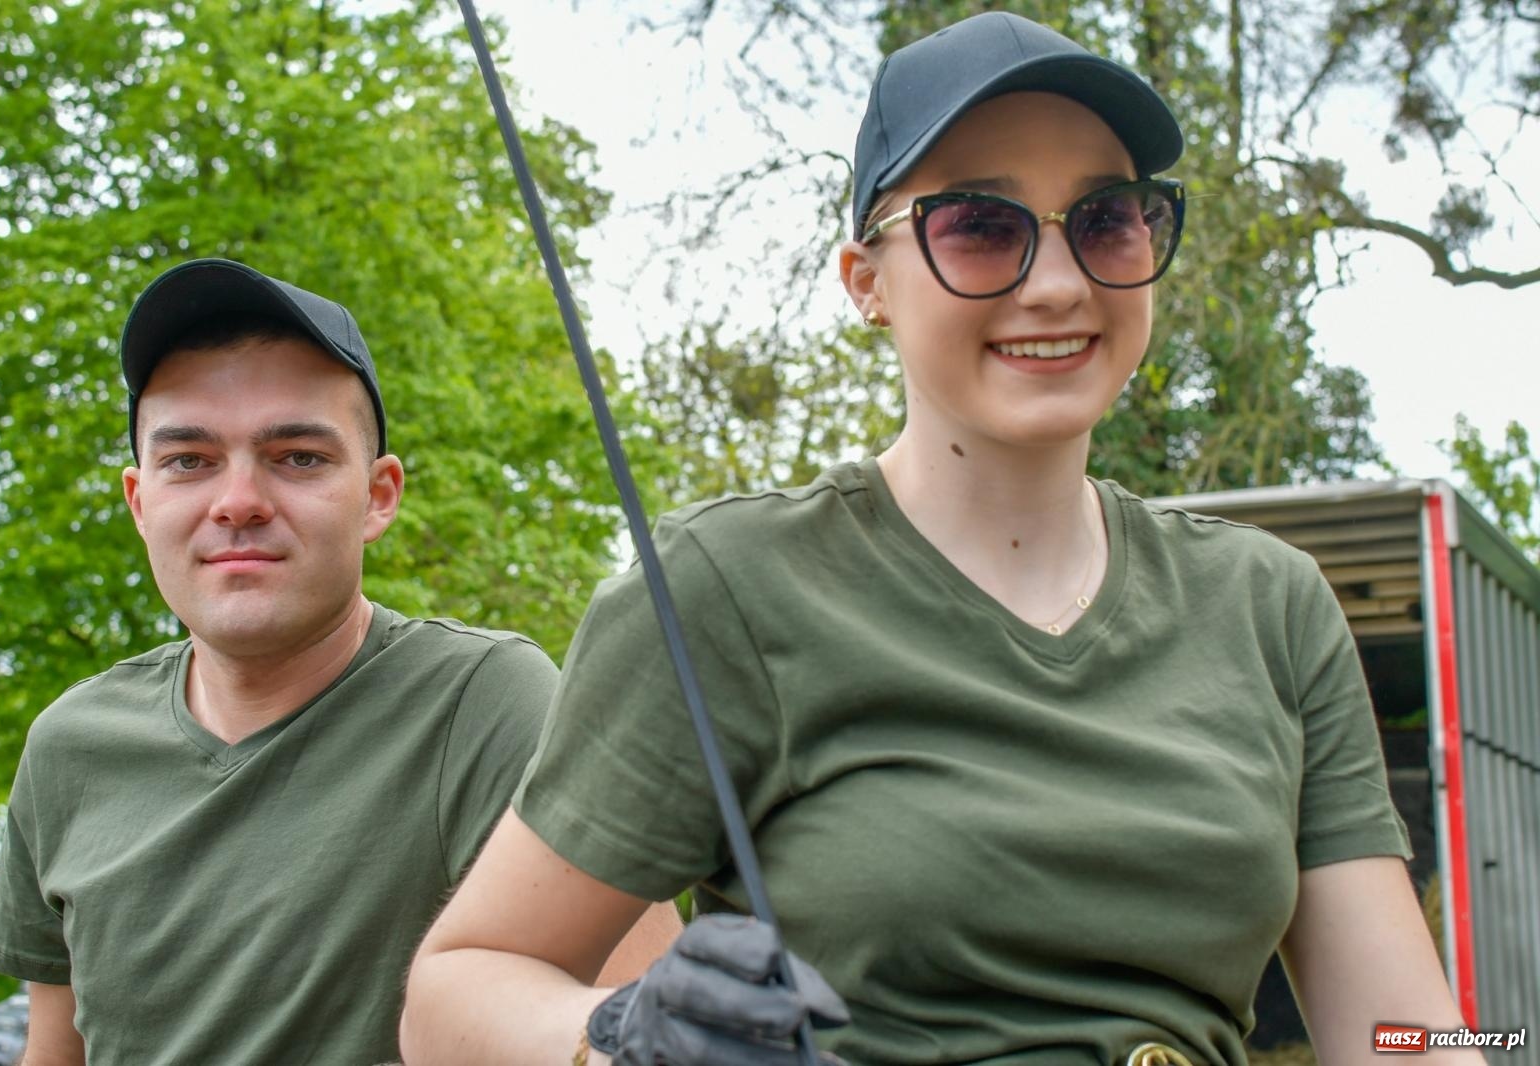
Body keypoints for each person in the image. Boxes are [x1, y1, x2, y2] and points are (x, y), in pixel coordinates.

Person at [400, 12, 1478, 1066]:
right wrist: (614, 1036)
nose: (1056, 282)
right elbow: (455, 990)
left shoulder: (1270, 604)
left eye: (1106, 218)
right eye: (978, 225)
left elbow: (1410, 1038)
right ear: (866, 282)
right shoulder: (722, 591)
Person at [0, 258, 678, 1065]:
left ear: (378, 495)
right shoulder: (68, 747)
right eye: (189, 461)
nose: (237, 500)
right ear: (140, 501)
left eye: (298, 456)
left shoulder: (483, 704)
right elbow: (52, 1055)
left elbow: (645, 1030)